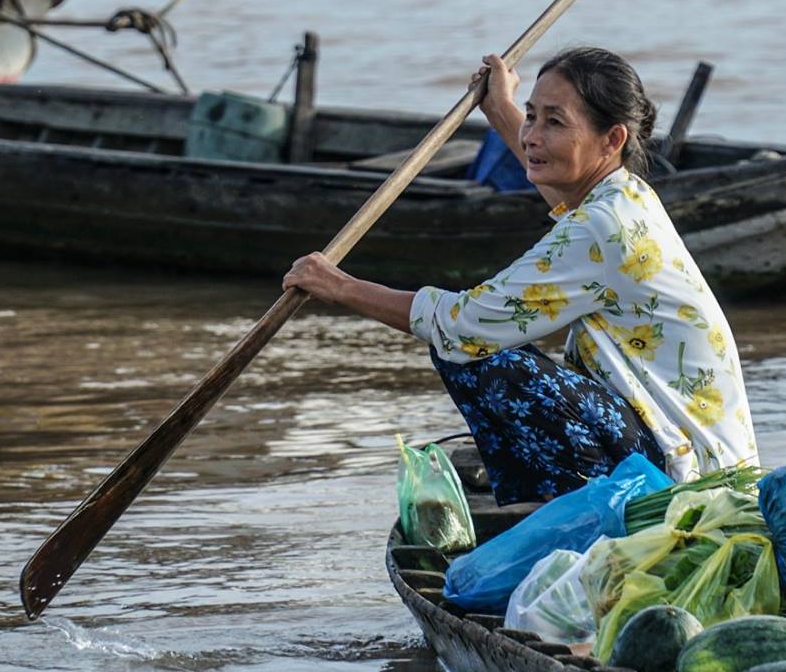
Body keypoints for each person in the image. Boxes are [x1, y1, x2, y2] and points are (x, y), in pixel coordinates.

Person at [283, 46, 759, 504]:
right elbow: (561, 189)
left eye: (555, 122)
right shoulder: (626, 194)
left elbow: (463, 326)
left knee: (481, 359)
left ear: (612, 140)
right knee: (482, 349)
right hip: (691, 447)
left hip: (688, 475)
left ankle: (574, 499)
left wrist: (340, 287)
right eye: (532, 116)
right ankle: (557, 494)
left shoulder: (600, 226)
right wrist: (500, 107)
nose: (532, 136)